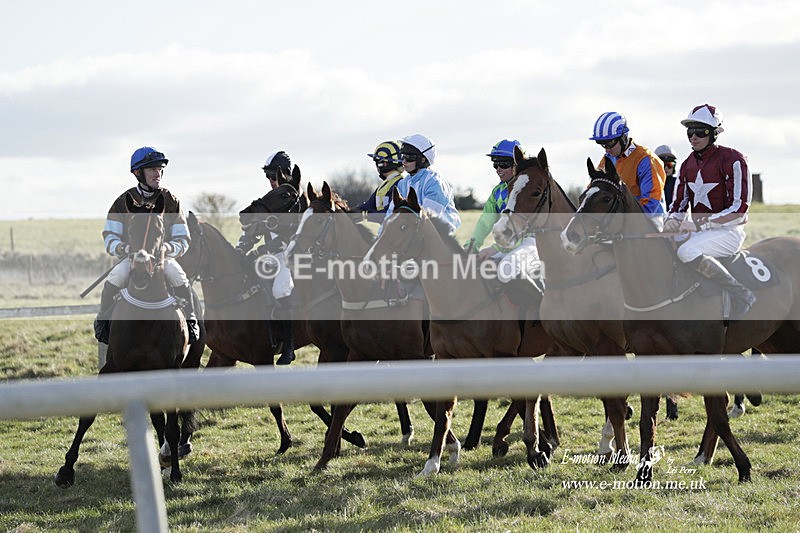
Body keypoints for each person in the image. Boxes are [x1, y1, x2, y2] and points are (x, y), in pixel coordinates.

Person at [95, 147, 199, 344]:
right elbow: (110, 235)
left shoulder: (171, 202)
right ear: (137, 173)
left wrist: (167, 249)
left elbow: (183, 238)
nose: (157, 173)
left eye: (159, 169)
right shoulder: (123, 202)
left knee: (178, 276)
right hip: (132, 258)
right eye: (151, 169)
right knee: (116, 276)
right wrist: (124, 249)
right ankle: (103, 321)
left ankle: (191, 320)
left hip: (162, 259)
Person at [664, 104, 755, 320]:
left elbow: (739, 210)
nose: (693, 137)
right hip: (700, 232)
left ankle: (741, 294)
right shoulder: (687, 165)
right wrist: (671, 221)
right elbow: (678, 205)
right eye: (690, 132)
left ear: (714, 133)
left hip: (729, 232)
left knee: (686, 252)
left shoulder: (734, 159)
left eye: (700, 131)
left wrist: (698, 225)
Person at [235, 150, 302, 365]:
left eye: (274, 176)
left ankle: (289, 347)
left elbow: (292, 234)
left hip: (290, 255)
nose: (271, 181)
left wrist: (264, 249)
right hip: (270, 256)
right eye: (269, 177)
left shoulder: (295, 199)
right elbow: (254, 229)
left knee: (279, 289)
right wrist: (242, 247)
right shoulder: (271, 201)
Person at [590, 112, 667, 229]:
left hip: (650, 219)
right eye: (602, 144)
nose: (606, 149)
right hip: (618, 220)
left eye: (609, 143)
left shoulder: (646, 159)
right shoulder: (607, 159)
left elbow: (650, 204)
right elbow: (594, 193)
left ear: (623, 137)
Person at [384, 134, 461, 233]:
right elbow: (391, 216)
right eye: (403, 156)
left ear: (422, 159)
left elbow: (427, 220)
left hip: (442, 237)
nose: (404, 161)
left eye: (409, 157)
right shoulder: (402, 184)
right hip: (413, 234)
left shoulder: (435, 183)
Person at [356, 140, 405, 222]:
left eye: (377, 162)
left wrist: (366, 215)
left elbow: (390, 212)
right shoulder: (385, 185)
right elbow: (368, 206)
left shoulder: (399, 184)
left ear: (384, 164)